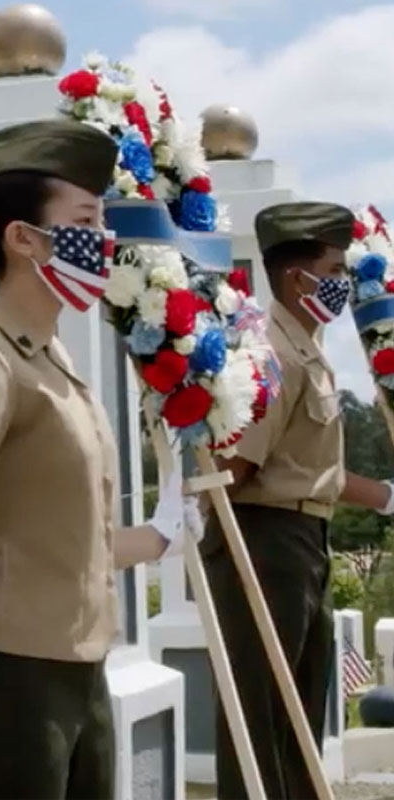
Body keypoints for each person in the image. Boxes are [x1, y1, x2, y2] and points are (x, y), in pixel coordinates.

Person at [0, 118, 203, 800]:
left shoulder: (55, 366)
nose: (104, 242)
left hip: (76, 671)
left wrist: (161, 537)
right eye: (87, 222)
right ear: (24, 239)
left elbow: (67, 543)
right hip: (8, 679)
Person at [202, 202, 394, 800]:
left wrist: (386, 498)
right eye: (334, 269)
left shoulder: (306, 351)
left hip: (303, 541)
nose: (342, 283)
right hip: (264, 546)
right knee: (261, 719)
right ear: (297, 277)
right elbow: (234, 472)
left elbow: (317, 473)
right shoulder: (273, 356)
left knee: (300, 715)